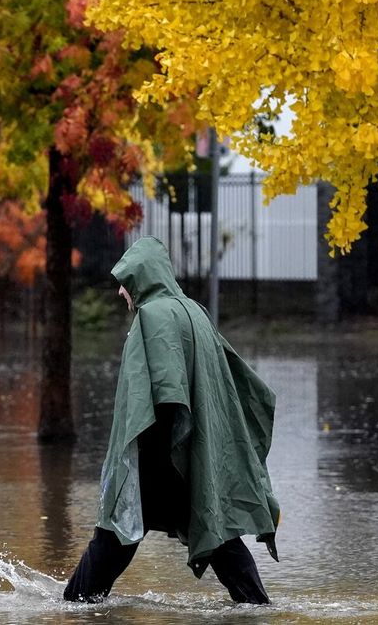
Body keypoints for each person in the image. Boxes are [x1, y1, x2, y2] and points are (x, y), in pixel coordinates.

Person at [63, 236, 281, 605]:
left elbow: (165, 390)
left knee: (117, 528)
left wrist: (148, 456)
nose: (120, 292)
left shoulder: (153, 316)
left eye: (125, 281)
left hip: (161, 446)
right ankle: (256, 606)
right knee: (215, 529)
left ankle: (75, 606)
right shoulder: (194, 310)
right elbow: (231, 378)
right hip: (194, 446)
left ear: (142, 277)